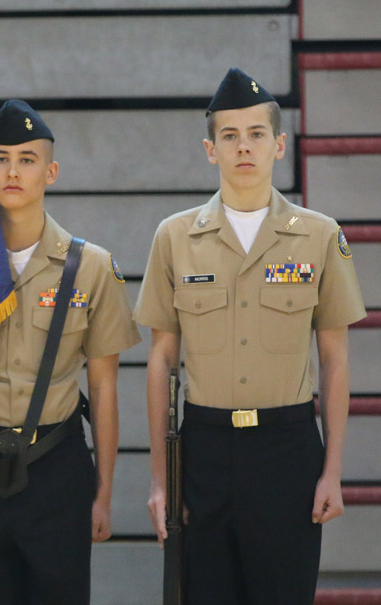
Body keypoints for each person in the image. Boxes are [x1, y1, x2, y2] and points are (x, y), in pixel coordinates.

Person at [135, 67, 366, 604]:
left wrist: (332, 471)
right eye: (230, 135)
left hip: (287, 451)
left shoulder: (319, 236)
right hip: (204, 451)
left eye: (257, 134)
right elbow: (161, 360)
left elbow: (334, 359)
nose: (244, 146)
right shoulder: (174, 237)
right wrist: (161, 479)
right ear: (210, 149)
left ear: (279, 144)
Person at [0, 100, 141, 604]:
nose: (12, 171)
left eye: (27, 159)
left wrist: (103, 494)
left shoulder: (91, 267)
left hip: (56, 471)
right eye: (0, 158)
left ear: (51, 172)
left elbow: (104, 387)